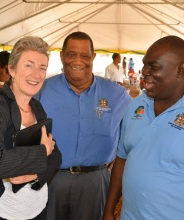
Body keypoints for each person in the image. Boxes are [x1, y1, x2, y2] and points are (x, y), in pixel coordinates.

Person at [103, 36, 184, 220]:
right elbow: (122, 159)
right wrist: (109, 211)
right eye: (144, 65)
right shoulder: (137, 105)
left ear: (180, 69)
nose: (144, 72)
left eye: (154, 67)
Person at [34, 31, 131, 220]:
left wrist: (121, 151)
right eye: (71, 55)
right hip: (51, 178)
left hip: (95, 182)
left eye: (85, 56)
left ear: (93, 57)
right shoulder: (42, 90)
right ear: (62, 57)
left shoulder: (116, 94)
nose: (77, 61)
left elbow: (135, 128)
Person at [0, 36, 62, 220]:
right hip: (4, 214)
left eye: (42, 68)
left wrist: (34, 174)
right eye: (29, 65)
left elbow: (57, 156)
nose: (36, 74)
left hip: (37, 210)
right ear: (11, 69)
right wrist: (42, 151)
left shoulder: (37, 107)